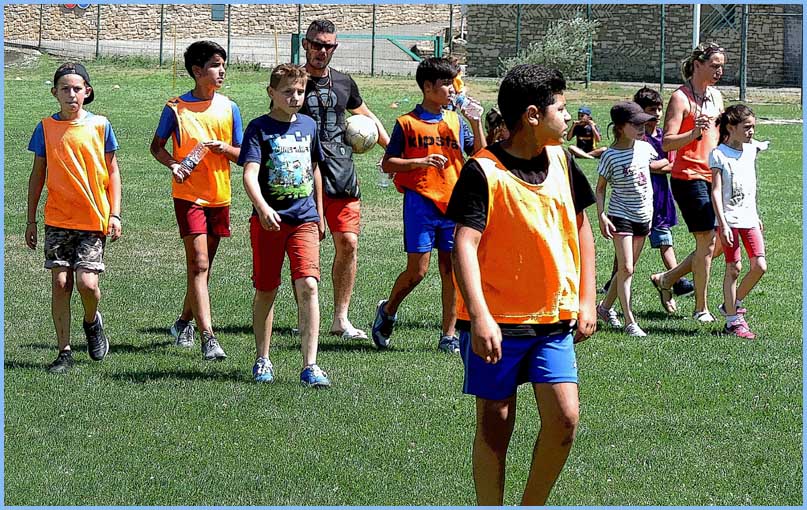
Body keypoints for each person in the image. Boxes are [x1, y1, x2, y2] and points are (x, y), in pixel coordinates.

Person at [447, 64, 596, 505]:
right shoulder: (483, 170)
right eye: (561, 109)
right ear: (533, 115)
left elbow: (582, 229)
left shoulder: (562, 160)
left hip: (553, 319)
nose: (567, 117)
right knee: (496, 425)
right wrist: (480, 317)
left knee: (565, 419)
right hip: (498, 323)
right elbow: (463, 245)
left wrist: (587, 299)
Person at [371, 57, 485, 353]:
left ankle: (448, 336)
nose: (452, 89)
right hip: (420, 203)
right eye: (446, 84)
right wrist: (420, 162)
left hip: (454, 204)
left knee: (452, 271)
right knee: (417, 272)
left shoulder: (456, 121)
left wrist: (476, 122)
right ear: (428, 87)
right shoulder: (407, 123)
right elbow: (388, 163)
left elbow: (482, 156)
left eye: (452, 83)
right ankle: (388, 310)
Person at [25, 62, 122, 373]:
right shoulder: (45, 128)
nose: (71, 94)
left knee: (87, 284)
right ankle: (64, 351)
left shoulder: (101, 126)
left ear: (87, 92)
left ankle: (92, 321)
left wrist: (115, 214)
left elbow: (113, 172)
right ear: (54, 93)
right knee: (61, 282)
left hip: (93, 219)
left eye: (77, 89)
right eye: (64, 89)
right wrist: (30, 219)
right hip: (57, 219)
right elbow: (37, 174)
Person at [240, 64, 331, 387]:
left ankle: (310, 365)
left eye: (300, 92)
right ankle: (263, 358)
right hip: (269, 222)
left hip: (304, 219)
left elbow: (314, 168)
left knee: (308, 285)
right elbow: (249, 174)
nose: (295, 97)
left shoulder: (308, 125)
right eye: (288, 92)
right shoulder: (259, 128)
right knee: (267, 289)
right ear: (271, 93)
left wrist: (320, 212)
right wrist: (262, 207)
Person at [150, 40, 242, 359]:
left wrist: (225, 149)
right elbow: (156, 147)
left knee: (203, 268)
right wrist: (174, 165)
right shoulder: (175, 108)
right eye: (215, 65)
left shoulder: (229, 107)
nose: (222, 71)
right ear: (197, 71)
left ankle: (183, 322)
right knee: (199, 263)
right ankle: (209, 338)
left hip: (220, 196)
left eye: (223, 64)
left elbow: (243, 154)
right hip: (188, 196)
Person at [300, 19, 390, 341]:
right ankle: (306, 316)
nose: (322, 51)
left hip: (342, 173)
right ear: (305, 44)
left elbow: (368, 118)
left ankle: (341, 318)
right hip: (302, 176)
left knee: (349, 243)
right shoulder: (293, 81)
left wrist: (392, 152)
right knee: (307, 247)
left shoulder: (344, 82)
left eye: (328, 46)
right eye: (316, 44)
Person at [650, 42, 726, 321]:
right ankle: (701, 309)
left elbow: (720, 136)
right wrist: (693, 133)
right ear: (698, 65)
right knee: (706, 240)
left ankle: (667, 278)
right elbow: (668, 142)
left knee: (720, 242)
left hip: (714, 175)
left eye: (722, 66)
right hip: (688, 176)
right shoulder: (680, 98)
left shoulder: (716, 96)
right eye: (714, 65)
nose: (719, 71)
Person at [600, 88, 695, 297]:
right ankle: (615, 282)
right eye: (652, 110)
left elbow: (669, 162)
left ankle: (676, 280)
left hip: (659, 196)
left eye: (660, 109)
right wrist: (664, 164)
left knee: (663, 237)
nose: (658, 114)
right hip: (634, 197)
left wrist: (665, 164)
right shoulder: (637, 139)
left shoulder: (663, 137)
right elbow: (650, 165)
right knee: (628, 246)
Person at [594, 102, 657, 337]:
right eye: (636, 124)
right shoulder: (610, 156)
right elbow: (600, 188)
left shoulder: (645, 148)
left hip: (644, 215)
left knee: (625, 270)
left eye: (643, 124)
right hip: (620, 216)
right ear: (620, 127)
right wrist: (601, 215)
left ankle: (603, 308)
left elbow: (654, 169)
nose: (642, 128)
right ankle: (630, 321)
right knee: (627, 268)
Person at [710, 105, 768, 339]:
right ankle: (733, 321)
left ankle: (731, 304)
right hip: (729, 219)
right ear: (731, 127)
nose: (751, 131)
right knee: (734, 267)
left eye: (753, 127)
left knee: (760, 266)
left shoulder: (751, 149)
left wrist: (756, 214)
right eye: (746, 127)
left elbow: (750, 187)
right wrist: (722, 223)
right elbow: (715, 191)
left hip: (749, 218)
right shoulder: (719, 154)